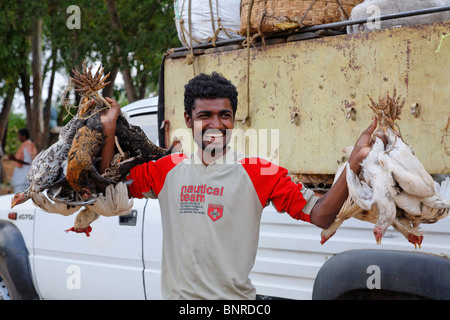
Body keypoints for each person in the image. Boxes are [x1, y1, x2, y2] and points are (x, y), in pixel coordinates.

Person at [100, 72, 378, 300]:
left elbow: (321, 214)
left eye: (225, 115)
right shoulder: (165, 170)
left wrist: (353, 162)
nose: (216, 124)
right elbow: (108, 184)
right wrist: (109, 128)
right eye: (204, 115)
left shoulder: (259, 171)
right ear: (188, 119)